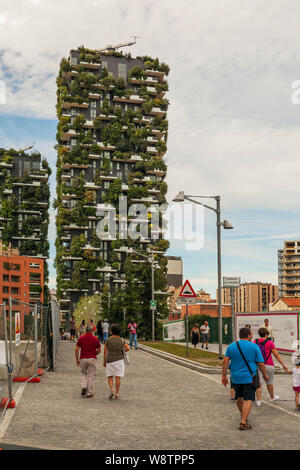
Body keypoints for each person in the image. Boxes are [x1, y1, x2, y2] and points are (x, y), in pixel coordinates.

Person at [222, 327, 269, 430]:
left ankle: (243, 415)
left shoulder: (231, 346)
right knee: (248, 399)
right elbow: (260, 364)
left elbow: (225, 361)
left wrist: (223, 376)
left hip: (235, 377)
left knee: (238, 398)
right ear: (249, 335)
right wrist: (265, 375)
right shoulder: (254, 347)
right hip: (249, 378)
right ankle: (243, 422)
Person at [254, 327, 290, 407]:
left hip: (258, 365)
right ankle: (272, 398)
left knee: (259, 383)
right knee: (269, 382)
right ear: (266, 334)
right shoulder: (270, 343)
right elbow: (276, 355)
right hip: (269, 364)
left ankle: (259, 401)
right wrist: (283, 365)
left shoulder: (255, 342)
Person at [103, 323, 130, 400]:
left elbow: (105, 351)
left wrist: (104, 361)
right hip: (119, 360)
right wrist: (123, 350)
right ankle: (117, 393)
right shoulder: (122, 340)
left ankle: (112, 389)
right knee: (118, 377)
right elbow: (128, 348)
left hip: (110, 360)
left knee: (110, 376)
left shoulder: (108, 339)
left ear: (111, 331)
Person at [75, 324, 101, 398]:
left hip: (83, 358)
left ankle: (84, 386)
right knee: (91, 375)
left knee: (83, 373)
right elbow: (99, 350)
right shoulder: (95, 338)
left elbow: (77, 349)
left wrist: (77, 359)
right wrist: (94, 354)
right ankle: (89, 392)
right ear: (92, 330)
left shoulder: (81, 338)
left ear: (86, 330)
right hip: (92, 358)